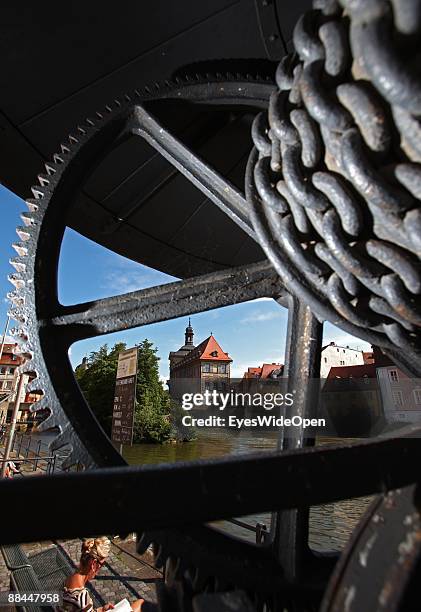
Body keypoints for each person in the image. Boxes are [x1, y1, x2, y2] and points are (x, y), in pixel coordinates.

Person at [59, 537, 144, 612]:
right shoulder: (81, 596)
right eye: (102, 564)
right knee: (140, 604)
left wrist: (102, 609)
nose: (101, 568)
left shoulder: (69, 579)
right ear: (93, 564)